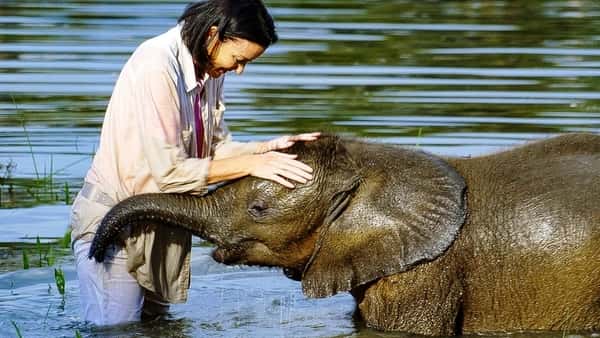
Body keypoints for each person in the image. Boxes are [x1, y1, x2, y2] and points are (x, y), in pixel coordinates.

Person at [69, 0, 319, 326]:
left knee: (155, 329)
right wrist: (252, 166)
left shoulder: (209, 68)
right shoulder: (156, 65)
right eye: (239, 60)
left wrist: (266, 150)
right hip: (116, 226)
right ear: (214, 36)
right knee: (119, 332)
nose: (239, 70)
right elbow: (169, 173)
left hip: (164, 224)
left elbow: (215, 148)